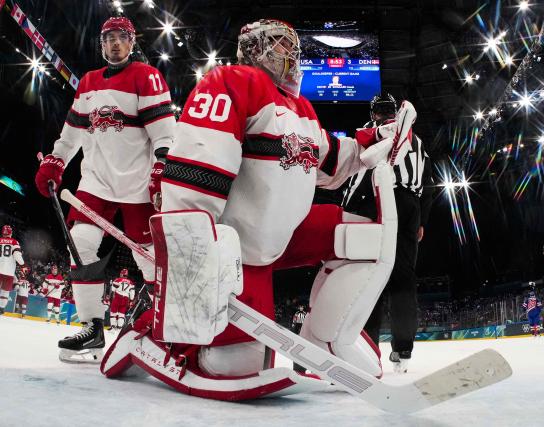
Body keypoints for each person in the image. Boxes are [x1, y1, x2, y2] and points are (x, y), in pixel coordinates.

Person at [101, 19, 403, 399]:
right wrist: (192, 245)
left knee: (364, 239)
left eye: (291, 45)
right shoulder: (232, 81)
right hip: (236, 252)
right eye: (278, 44)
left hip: (284, 232)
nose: (290, 53)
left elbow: (333, 162)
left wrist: (376, 139)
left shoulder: (303, 109)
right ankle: (148, 330)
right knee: (234, 363)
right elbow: (199, 167)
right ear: (254, 49)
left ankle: (327, 338)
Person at [34, 17, 175, 362]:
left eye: (120, 38)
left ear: (131, 42)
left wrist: (161, 166)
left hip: (138, 184)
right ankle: (92, 328)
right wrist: (56, 161)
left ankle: (163, 328)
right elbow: (72, 133)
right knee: (80, 245)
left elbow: (165, 132)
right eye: (108, 38)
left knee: (150, 261)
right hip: (96, 182)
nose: (114, 44)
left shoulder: (146, 75)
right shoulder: (89, 84)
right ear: (102, 44)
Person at [342, 92, 434, 373]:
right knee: (404, 279)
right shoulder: (416, 141)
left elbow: (361, 174)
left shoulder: (376, 134)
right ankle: (403, 348)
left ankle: (368, 347)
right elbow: (429, 185)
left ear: (374, 114)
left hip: (381, 199)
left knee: (373, 276)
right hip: (411, 205)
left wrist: (347, 209)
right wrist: (421, 221)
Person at [0, 225, 26, 315]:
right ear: (11, 233)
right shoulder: (14, 242)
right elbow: (17, 256)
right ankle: (1, 308)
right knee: (5, 291)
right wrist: (23, 265)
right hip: (9, 272)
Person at [291, 304, 307, 372]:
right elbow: (295, 318)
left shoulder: (304, 313)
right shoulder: (297, 313)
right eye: (300, 307)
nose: (301, 308)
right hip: (298, 327)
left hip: (303, 328)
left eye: (302, 307)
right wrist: (294, 323)